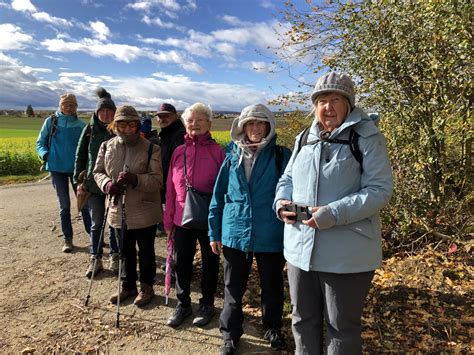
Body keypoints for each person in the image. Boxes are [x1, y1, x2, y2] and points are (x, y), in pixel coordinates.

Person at [274, 72, 393, 354]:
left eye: (335, 100)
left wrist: (333, 213)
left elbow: (379, 190)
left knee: (342, 328)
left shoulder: (367, 138)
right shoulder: (304, 138)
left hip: (346, 255)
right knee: (302, 320)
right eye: (322, 100)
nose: (328, 107)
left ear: (349, 104)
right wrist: (280, 204)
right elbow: (286, 179)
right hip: (299, 250)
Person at [208, 104, 291, 354]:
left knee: (272, 285)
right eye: (250, 124)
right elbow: (218, 195)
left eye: (260, 123)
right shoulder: (231, 155)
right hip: (235, 232)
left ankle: (272, 327)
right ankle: (230, 334)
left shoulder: (281, 155)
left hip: (271, 232)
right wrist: (214, 232)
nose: (255, 128)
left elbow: (293, 192)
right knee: (232, 287)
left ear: (269, 126)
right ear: (242, 127)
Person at [93, 105, 163, 307]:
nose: (127, 129)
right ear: (115, 125)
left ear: (137, 125)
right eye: (122, 124)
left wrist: (135, 179)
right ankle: (128, 287)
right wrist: (107, 184)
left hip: (145, 210)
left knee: (146, 252)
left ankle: (147, 288)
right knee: (125, 251)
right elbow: (97, 172)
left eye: (132, 124)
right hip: (117, 209)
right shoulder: (107, 146)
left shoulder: (151, 148)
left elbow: (157, 181)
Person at [164, 102, 225, 328]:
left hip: (210, 220)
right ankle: (183, 304)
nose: (195, 124)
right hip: (181, 218)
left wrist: (220, 224)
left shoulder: (219, 152)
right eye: (190, 120)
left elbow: (225, 190)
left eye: (200, 120)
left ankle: (207, 304)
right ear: (185, 124)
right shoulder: (178, 152)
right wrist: (168, 220)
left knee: (210, 263)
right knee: (182, 263)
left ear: (209, 124)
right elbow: (170, 188)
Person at [36, 93, 91, 253]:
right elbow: (40, 142)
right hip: (56, 169)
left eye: (72, 104)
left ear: (76, 107)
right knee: (64, 205)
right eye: (66, 104)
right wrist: (45, 155)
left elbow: (88, 149)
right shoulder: (51, 122)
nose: (69, 107)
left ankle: (92, 236)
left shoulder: (82, 125)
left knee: (84, 204)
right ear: (60, 106)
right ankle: (68, 239)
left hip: (77, 171)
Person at [74, 87, 120, 278]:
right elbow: (81, 154)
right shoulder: (89, 129)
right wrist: (79, 178)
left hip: (112, 185)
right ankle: (96, 258)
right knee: (96, 222)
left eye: (109, 111)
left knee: (114, 223)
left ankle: (115, 257)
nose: (106, 114)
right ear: (97, 112)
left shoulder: (119, 130)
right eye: (102, 111)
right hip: (92, 184)